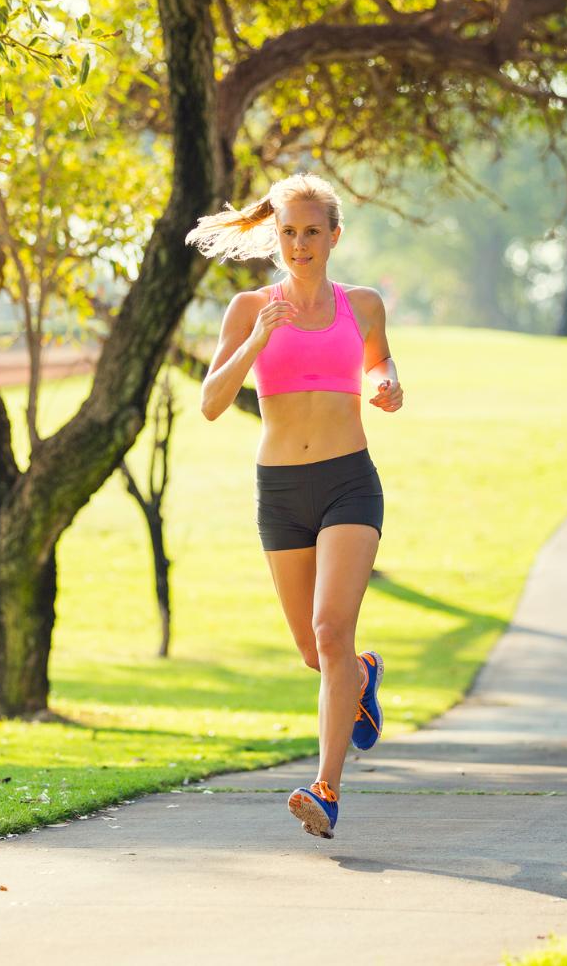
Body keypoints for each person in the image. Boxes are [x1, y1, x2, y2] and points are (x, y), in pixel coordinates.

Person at [189, 173, 403, 839]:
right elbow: (211, 403)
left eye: (313, 231)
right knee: (319, 653)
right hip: (281, 491)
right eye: (288, 232)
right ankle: (362, 674)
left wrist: (387, 382)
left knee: (331, 630)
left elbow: (377, 366)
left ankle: (327, 789)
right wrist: (255, 340)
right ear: (273, 237)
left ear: (334, 236)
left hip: (348, 481)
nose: (300, 243)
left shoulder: (362, 304)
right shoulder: (251, 309)